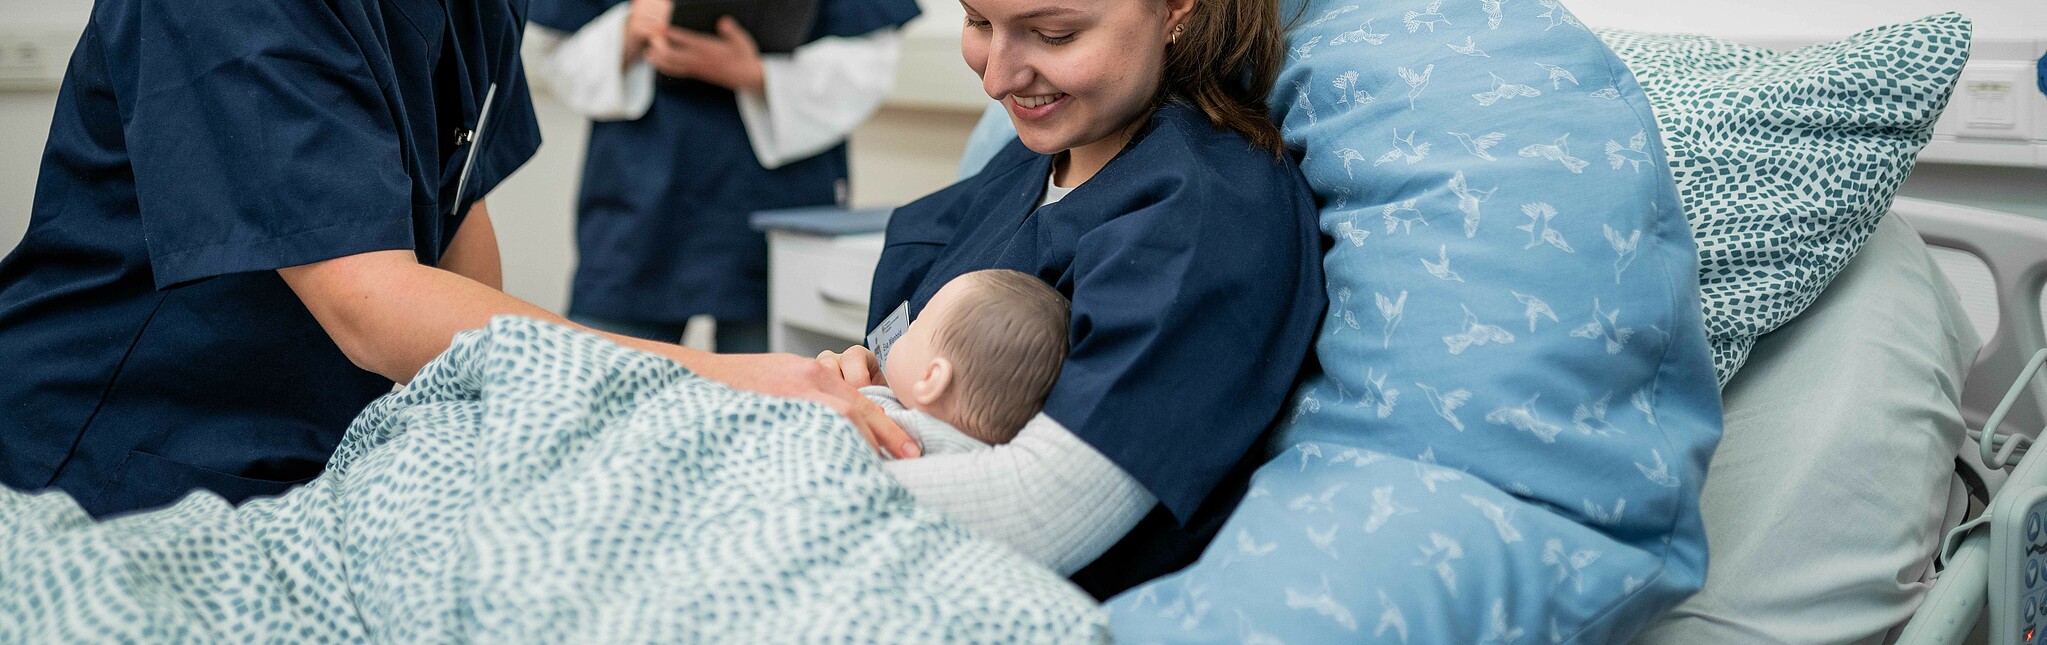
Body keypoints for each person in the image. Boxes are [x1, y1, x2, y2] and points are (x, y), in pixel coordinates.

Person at [0, 0, 911, 519]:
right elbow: (375, 305)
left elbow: (459, 252)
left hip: (314, 451)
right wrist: (715, 379)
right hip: (125, 454)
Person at [816, 0, 1325, 595]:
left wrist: (787, 466)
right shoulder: (1028, 163)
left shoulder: (1208, 215)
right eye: (978, 22)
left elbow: (1038, 508)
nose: (995, 78)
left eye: (1053, 35)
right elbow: (909, 358)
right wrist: (855, 388)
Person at [527, 0, 918, 352]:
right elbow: (551, 45)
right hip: (637, 202)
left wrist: (757, 74)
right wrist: (631, 28)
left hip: (775, 198)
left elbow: (870, 59)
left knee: (772, 405)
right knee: (601, 387)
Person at [858, 269, 1070, 452]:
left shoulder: (890, 430)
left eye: (918, 323)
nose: (910, 325)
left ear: (931, 379)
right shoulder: (982, 462)